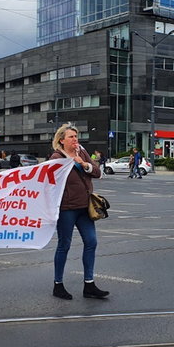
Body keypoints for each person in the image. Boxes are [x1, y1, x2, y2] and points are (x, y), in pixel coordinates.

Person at [49, 123, 108, 301]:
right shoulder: (56, 157)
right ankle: (58, 284)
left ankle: (89, 284)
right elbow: (51, 182)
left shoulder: (82, 153)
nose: (75, 140)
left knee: (91, 242)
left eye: (76, 136)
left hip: (85, 207)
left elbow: (97, 173)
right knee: (64, 245)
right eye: (71, 137)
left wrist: (84, 164)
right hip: (67, 209)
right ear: (62, 140)